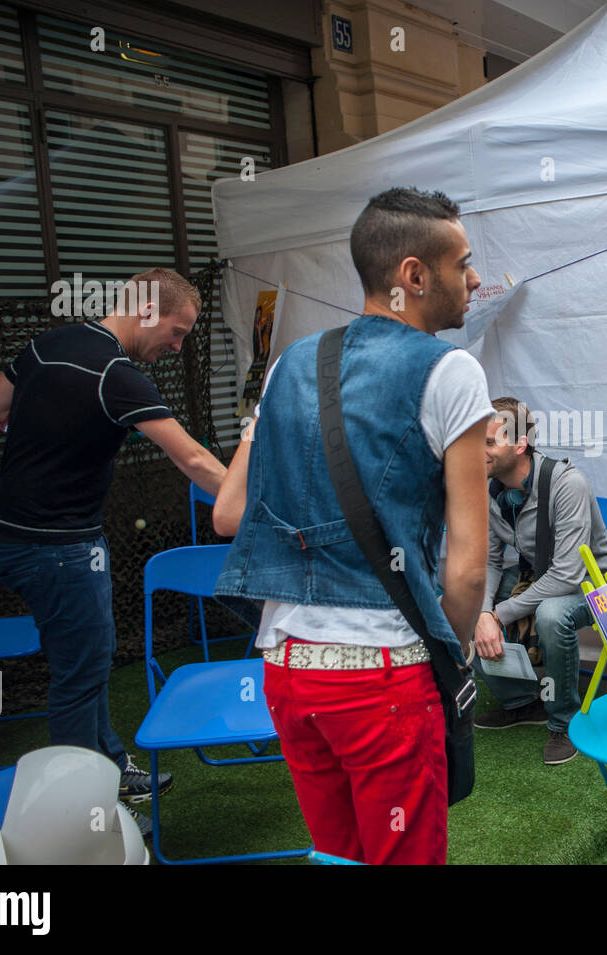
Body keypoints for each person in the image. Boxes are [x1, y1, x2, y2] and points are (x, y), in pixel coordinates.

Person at [212, 187, 491, 865]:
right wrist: (446, 651)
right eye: (463, 263)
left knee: (337, 856)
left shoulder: (286, 365)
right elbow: (469, 566)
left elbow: (227, 513)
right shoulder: (451, 370)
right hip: (384, 673)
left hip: (286, 664)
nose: (475, 279)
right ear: (414, 276)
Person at [0, 268, 226, 831]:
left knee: (88, 657)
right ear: (145, 312)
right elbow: (192, 460)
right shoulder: (117, 374)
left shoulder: (51, 342)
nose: (177, 345)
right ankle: (78, 818)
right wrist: (252, 507)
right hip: (58, 548)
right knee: (79, 673)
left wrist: (51, 431)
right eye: (178, 330)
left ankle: (110, 765)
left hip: (13, 538)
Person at [472, 396, 607, 766]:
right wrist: (481, 611)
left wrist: (498, 614)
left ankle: (564, 720)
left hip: (595, 583)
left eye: (489, 443)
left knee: (552, 614)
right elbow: (490, 560)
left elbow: (568, 574)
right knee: (463, 603)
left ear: (519, 444)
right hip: (538, 576)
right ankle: (523, 703)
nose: (479, 451)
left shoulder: (568, 484)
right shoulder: (488, 488)